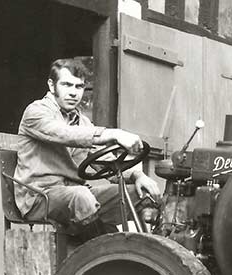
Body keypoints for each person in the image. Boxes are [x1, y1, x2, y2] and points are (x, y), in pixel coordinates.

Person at [14, 58, 161, 242]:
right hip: (40, 196)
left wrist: (138, 176)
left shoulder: (82, 121)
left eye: (79, 87)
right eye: (67, 85)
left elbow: (107, 164)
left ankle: (149, 252)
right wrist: (113, 134)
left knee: (141, 194)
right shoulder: (36, 112)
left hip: (77, 194)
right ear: (52, 86)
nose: (73, 93)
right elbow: (65, 134)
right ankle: (104, 256)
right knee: (82, 197)